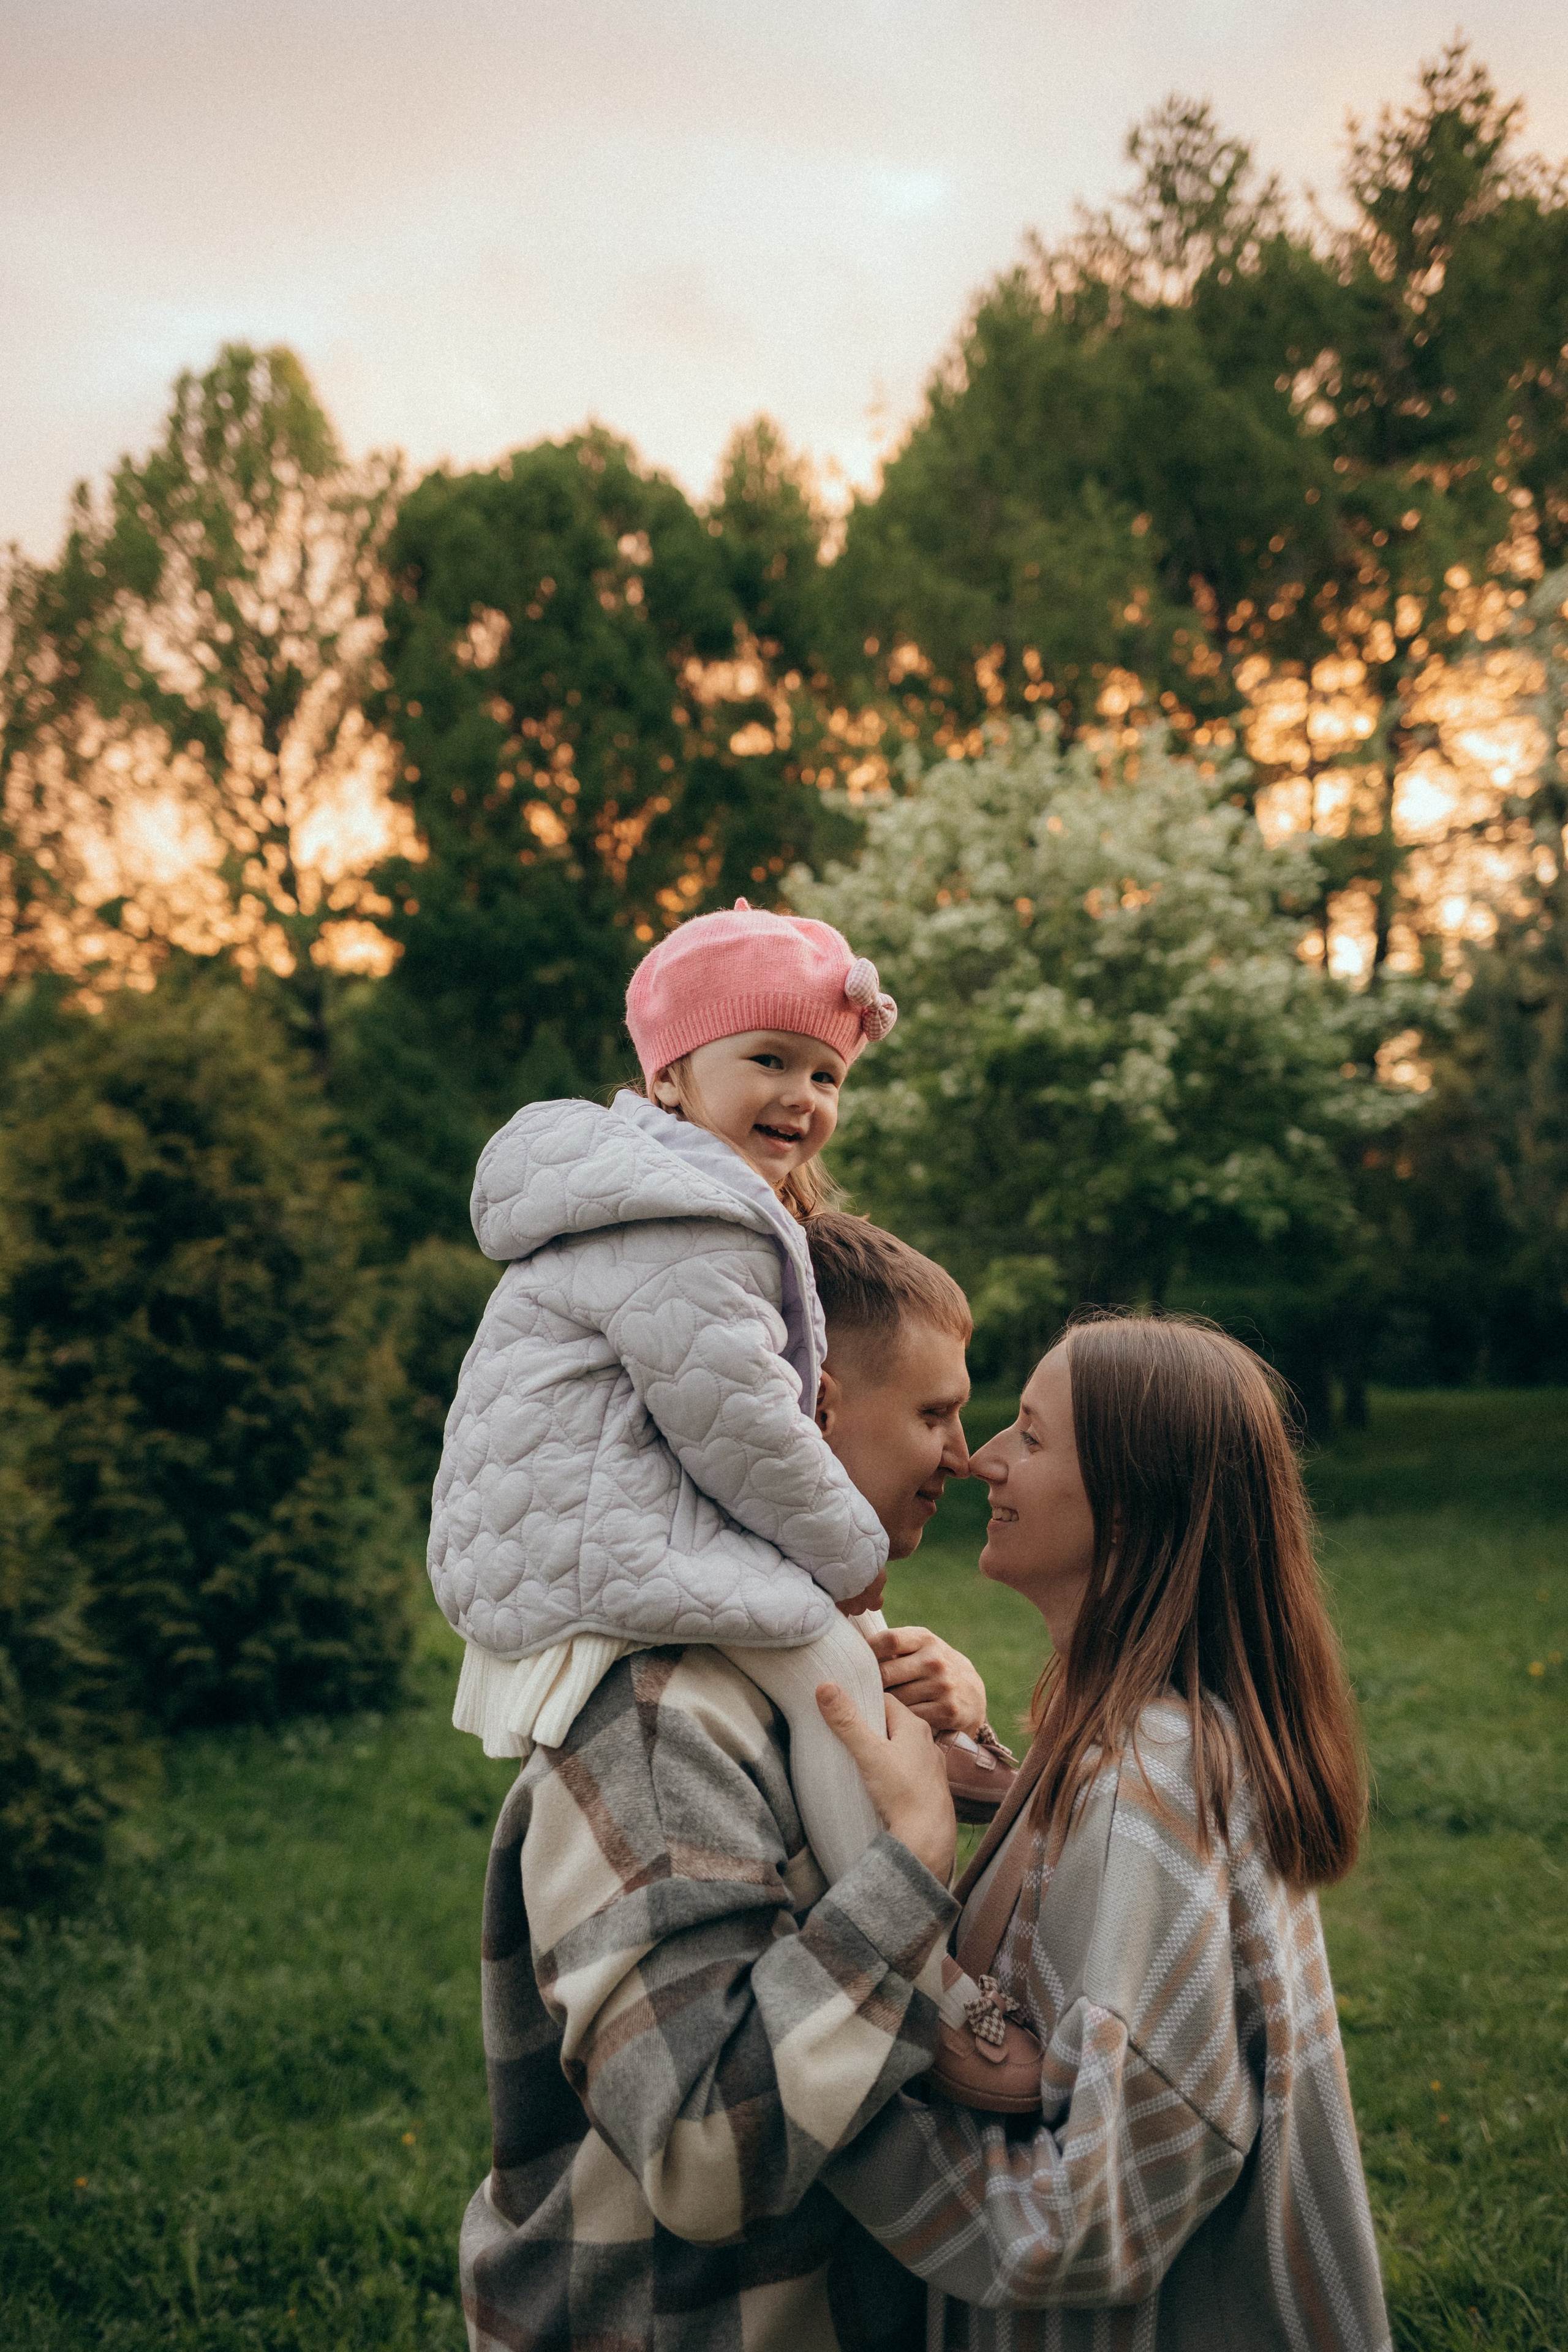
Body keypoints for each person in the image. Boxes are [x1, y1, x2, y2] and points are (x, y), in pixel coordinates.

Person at [818, 1311, 1393, 2352]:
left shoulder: (1148, 1797)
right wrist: (977, 1750)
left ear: (1131, 1511)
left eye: (1030, 1438)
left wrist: (813, 2112)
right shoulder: (1148, 1742)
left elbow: (1085, 2224)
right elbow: (1051, 1929)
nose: (983, 1458)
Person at [460, 1216, 983, 2352]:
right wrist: (909, 1866)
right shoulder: (657, 1723)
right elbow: (704, 2150)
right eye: (936, 1414)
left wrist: (957, 1747)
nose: (967, 1456)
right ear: (810, 1412)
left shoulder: (818, 1676)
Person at [428, 898, 984, 1877]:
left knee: (839, 1643)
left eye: (827, 1074)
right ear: (671, 1075)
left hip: (577, 1513)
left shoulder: (687, 1204)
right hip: (585, 1522)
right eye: (769, 1060)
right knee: (829, 1673)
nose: (802, 1095)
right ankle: (905, 1902)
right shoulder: (682, 1221)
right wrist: (850, 1553)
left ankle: (938, 1756)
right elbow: (742, 1430)